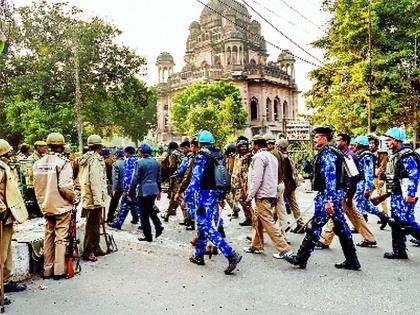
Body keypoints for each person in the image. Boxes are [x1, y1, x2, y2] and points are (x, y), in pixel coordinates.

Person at [284, 126, 361, 270]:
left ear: (324, 138)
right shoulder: (331, 151)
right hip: (334, 194)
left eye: (317, 136)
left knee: (315, 226)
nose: (314, 139)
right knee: (341, 227)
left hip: (328, 195)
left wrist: (328, 201)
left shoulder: (328, 153)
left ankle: (300, 258)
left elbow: (330, 177)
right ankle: (352, 261)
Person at [186, 130, 242, 275]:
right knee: (204, 223)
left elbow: (196, 178)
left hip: (204, 193)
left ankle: (231, 254)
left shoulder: (201, 155)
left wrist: (188, 196)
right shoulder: (218, 154)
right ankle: (199, 255)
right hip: (216, 193)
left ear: (200, 142)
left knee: (205, 225)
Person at [316, 133, 377, 249]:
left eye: (339, 140)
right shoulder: (341, 155)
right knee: (354, 215)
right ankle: (369, 238)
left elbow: (353, 177)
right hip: (344, 191)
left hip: (345, 191)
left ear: (345, 142)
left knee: (335, 215)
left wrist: (349, 195)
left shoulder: (349, 156)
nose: (336, 142)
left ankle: (324, 240)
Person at [33, 132, 76, 279]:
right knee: (61, 238)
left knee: (48, 237)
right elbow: (65, 187)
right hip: (62, 207)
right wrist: (74, 198)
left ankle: (47, 270)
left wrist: (42, 203)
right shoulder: (63, 163)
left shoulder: (38, 163)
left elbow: (36, 187)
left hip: (46, 205)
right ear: (62, 146)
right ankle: (59, 271)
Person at [244, 135, 291, 259]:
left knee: (268, 222)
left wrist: (249, 196)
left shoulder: (259, 157)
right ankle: (256, 245)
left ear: (256, 145)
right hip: (270, 193)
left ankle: (284, 249)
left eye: (252, 144)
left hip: (262, 195)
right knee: (257, 220)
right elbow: (274, 177)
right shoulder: (272, 157)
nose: (251, 146)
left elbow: (256, 179)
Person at [382, 128, 420, 259]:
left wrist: (410, 194)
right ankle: (399, 251)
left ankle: (399, 251)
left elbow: (413, 175)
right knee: (398, 221)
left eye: (388, 140)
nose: (386, 142)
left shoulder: (406, 154)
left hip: (404, 194)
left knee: (404, 222)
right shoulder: (395, 153)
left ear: (396, 140)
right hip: (396, 193)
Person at [0, 139, 28, 305]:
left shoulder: (5, 166)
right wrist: (2, 209)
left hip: (8, 217)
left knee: (7, 251)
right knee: (1, 254)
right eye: (8, 152)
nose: (11, 153)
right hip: (2, 216)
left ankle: (5, 282)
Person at [79, 134, 107, 262]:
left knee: (95, 224)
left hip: (89, 196)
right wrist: (98, 200)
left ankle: (95, 247)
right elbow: (95, 181)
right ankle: (88, 250)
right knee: (92, 225)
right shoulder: (95, 160)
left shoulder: (87, 158)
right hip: (93, 197)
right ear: (99, 147)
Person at [129, 143, 164, 242]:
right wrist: (159, 191)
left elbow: (135, 179)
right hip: (153, 190)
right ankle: (158, 226)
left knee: (144, 214)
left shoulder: (139, 162)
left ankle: (148, 235)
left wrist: (130, 192)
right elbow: (159, 178)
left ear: (141, 152)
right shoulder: (156, 162)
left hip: (143, 190)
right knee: (149, 209)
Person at [354, 135, 389, 229]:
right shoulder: (361, 153)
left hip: (364, 183)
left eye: (356, 143)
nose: (355, 145)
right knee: (366, 204)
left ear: (360, 144)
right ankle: (383, 216)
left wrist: (367, 188)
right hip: (361, 182)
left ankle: (360, 225)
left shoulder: (367, 155)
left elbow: (369, 173)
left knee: (359, 204)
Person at [277, 138, 305, 233]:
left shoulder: (281, 157)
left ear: (279, 146)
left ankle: (274, 224)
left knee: (277, 205)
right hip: (291, 183)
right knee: (294, 205)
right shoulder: (288, 155)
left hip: (285, 184)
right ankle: (300, 224)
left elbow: (281, 172)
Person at [109, 146, 140, 229]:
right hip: (138, 188)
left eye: (125, 153)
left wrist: (126, 190)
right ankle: (118, 223)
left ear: (128, 153)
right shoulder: (139, 159)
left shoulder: (129, 161)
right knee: (132, 205)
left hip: (130, 189)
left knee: (126, 205)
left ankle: (118, 223)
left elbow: (128, 177)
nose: (124, 154)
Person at [175, 138, 199, 230]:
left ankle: (191, 222)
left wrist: (181, 185)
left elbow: (186, 172)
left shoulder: (192, 157)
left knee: (190, 203)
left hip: (191, 184)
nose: (181, 151)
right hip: (199, 185)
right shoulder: (199, 156)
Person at [230, 137, 253, 226]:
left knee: (246, 202)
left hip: (245, 183)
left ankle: (251, 218)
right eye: (242, 146)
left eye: (245, 146)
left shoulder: (249, 157)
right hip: (237, 183)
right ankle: (248, 218)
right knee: (241, 201)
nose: (243, 148)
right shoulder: (237, 156)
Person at [161, 141, 184, 221]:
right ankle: (167, 214)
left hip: (176, 179)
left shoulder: (172, 155)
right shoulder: (181, 153)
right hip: (183, 178)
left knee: (179, 197)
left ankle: (188, 218)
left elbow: (172, 166)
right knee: (173, 198)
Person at [368, 134, 389, 217]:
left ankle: (385, 214)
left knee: (381, 196)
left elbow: (383, 166)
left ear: (376, 143)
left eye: (373, 143)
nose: (371, 145)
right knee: (365, 195)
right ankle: (364, 214)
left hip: (378, 178)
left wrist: (381, 178)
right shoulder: (368, 153)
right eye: (369, 143)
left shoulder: (381, 153)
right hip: (371, 178)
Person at [106, 149, 125, 223]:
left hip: (118, 187)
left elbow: (115, 178)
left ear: (117, 155)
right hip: (125, 186)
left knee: (113, 202)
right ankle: (135, 217)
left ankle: (110, 218)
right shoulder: (126, 162)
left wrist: (114, 188)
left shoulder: (116, 163)